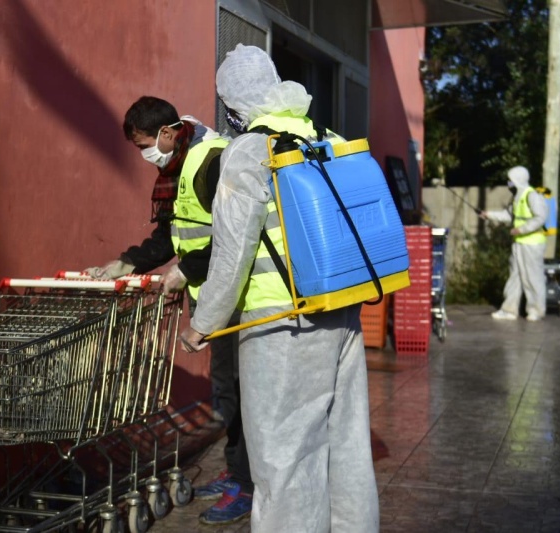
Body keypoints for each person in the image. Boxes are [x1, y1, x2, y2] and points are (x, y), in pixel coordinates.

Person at [179, 44, 380, 533]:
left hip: (278, 324)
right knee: (346, 443)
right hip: (341, 310)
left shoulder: (249, 150)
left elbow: (233, 252)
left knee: (284, 455)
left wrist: (203, 323)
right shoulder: (325, 136)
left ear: (233, 103)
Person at [84, 96, 253, 525]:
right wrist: (125, 264)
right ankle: (237, 472)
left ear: (167, 133)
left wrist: (186, 269)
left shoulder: (210, 162)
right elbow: (169, 236)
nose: (145, 156)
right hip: (210, 293)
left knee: (240, 388)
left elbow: (237, 234)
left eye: (145, 145)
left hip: (237, 294)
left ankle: (248, 484)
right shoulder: (174, 168)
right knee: (226, 388)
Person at [480, 165, 549, 321]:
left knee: (533, 278)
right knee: (514, 277)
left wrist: (522, 230)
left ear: (518, 180)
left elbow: (540, 217)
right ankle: (509, 310)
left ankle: (536, 311)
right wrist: (488, 215)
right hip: (518, 243)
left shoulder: (532, 196)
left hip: (532, 243)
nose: (508, 183)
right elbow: (509, 215)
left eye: (510, 180)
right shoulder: (518, 197)